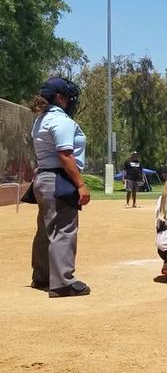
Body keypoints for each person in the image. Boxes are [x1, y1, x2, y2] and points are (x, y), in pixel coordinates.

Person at [29, 77, 91, 297]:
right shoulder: (61, 120)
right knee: (63, 229)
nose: (71, 101)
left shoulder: (41, 119)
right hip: (58, 178)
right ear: (60, 98)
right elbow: (65, 155)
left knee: (45, 230)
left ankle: (42, 276)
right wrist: (80, 185)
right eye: (69, 97)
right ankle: (63, 282)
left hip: (44, 177)